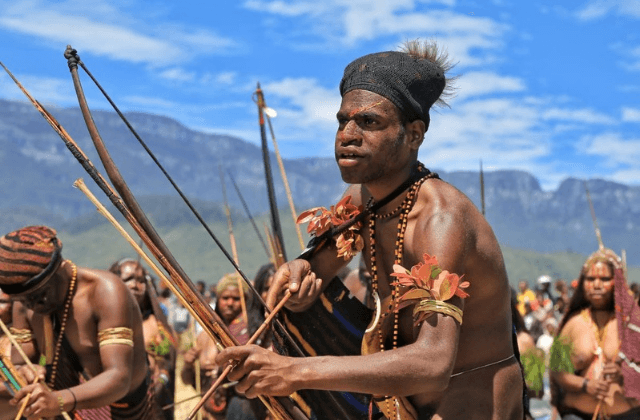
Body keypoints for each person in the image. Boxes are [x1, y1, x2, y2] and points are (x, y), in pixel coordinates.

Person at [215, 40, 524, 419]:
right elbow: (317, 267)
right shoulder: (362, 200)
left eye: (369, 122)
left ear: (414, 134)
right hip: (397, 404)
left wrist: (294, 372)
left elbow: (433, 361)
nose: (347, 134)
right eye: (342, 120)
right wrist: (300, 278)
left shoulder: (440, 220)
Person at [0, 225, 163, 420]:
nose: (33, 304)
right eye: (25, 299)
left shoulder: (106, 292)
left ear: (61, 268)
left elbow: (119, 377)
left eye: (40, 293)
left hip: (123, 409)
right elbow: (18, 365)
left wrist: (58, 401)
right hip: (61, 407)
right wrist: (24, 372)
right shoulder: (23, 303)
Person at [550, 248, 640, 419]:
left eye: (605, 279)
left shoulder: (634, 325)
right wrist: (585, 385)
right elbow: (556, 371)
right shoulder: (572, 324)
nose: (597, 285)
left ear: (618, 281)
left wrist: (625, 374)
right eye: (590, 279)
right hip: (577, 415)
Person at [182, 273, 264, 420]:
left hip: (242, 410)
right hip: (209, 413)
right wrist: (188, 364)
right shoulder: (205, 335)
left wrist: (225, 369)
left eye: (236, 298)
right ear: (218, 300)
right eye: (225, 298)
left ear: (245, 300)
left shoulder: (253, 333)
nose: (230, 303)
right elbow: (187, 380)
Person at [109, 258, 177, 420]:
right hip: (114, 401)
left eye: (141, 280)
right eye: (128, 279)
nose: (135, 285)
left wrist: (161, 380)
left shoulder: (155, 323)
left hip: (153, 401)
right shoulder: (105, 323)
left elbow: (167, 360)